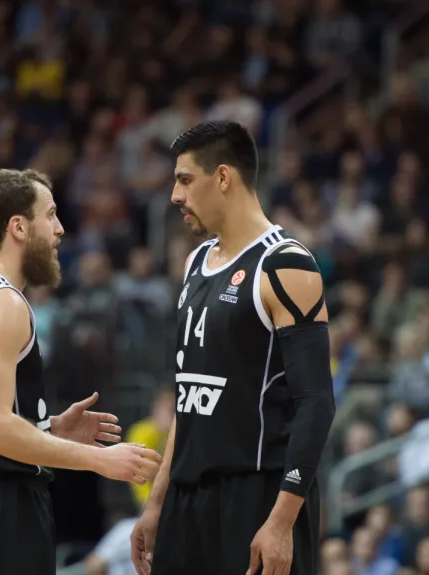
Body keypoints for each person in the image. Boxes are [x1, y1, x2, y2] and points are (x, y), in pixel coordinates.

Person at [0, 169, 162, 575]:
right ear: (18, 227)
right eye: (50, 215)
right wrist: (98, 460)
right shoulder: (3, 305)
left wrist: (47, 427)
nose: (60, 230)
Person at [130, 121, 336, 575]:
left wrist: (282, 521)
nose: (174, 196)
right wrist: (158, 502)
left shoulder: (285, 263)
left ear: (223, 177)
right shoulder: (196, 262)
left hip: (255, 497)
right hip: (187, 500)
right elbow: (189, 398)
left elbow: (316, 403)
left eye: (185, 179)